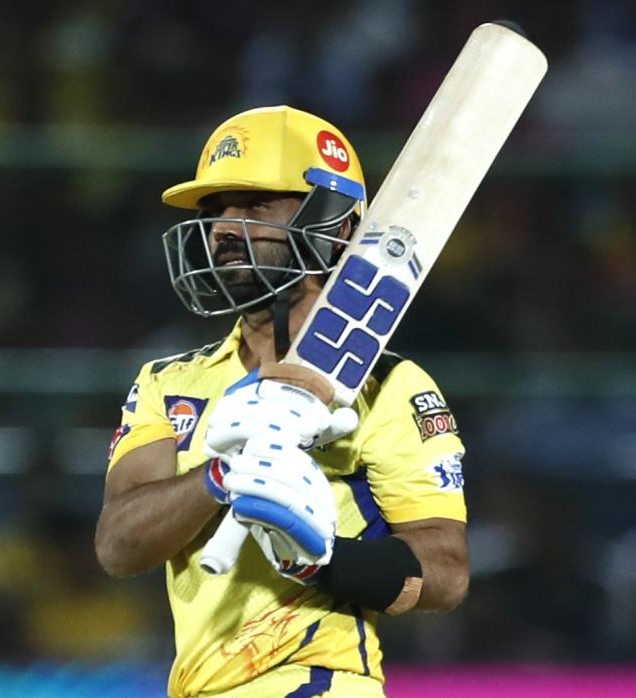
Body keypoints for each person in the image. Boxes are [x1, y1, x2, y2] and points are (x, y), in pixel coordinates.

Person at [95, 105, 468, 698]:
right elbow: (119, 545)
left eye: (254, 206)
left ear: (333, 223)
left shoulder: (390, 385)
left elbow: (445, 572)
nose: (222, 227)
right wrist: (223, 474)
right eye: (216, 211)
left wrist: (322, 561)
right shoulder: (169, 382)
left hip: (318, 682)